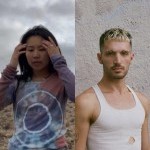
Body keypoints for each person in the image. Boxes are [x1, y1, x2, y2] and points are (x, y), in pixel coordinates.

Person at [0, 25, 75, 150]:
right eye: (30, 50)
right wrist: (10, 69)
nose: (35, 55)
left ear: (52, 51)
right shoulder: (17, 82)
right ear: (23, 53)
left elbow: (76, 96)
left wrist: (59, 63)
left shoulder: (61, 80)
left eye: (42, 49)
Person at [75, 28, 150, 150]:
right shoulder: (86, 102)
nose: (118, 61)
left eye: (124, 53)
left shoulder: (142, 102)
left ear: (131, 57)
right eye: (110, 53)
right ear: (100, 58)